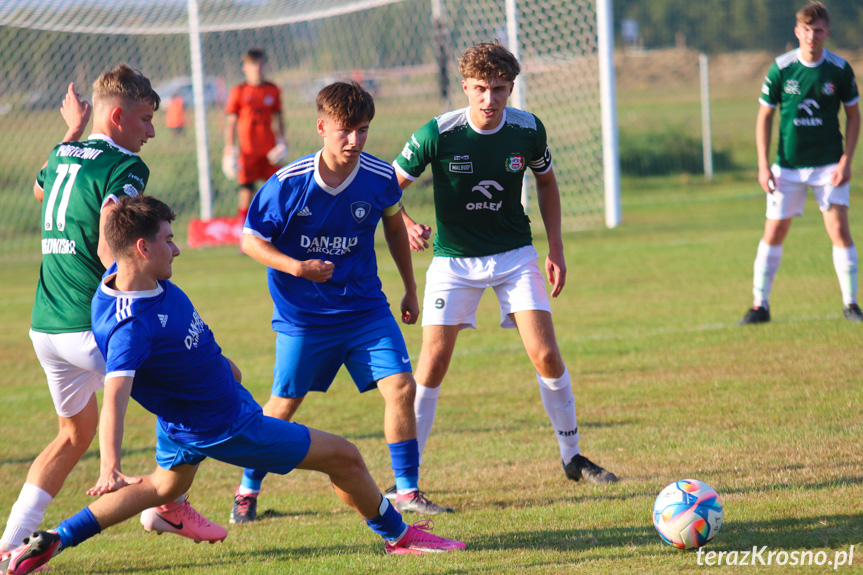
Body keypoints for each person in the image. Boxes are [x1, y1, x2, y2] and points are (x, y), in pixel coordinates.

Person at [1, 195, 465, 575]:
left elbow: (109, 246)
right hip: (225, 425)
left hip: (184, 419)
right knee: (345, 456)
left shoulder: (115, 276)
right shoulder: (131, 328)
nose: (177, 249)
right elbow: (116, 395)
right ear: (143, 249)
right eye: (168, 240)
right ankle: (400, 537)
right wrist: (110, 465)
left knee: (162, 487)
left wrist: (110, 211)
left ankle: (56, 539)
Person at [0, 65, 223, 569]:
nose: (150, 131)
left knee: (73, 434)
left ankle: (7, 544)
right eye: (145, 119)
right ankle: (169, 505)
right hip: (90, 323)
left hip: (46, 326)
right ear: (118, 116)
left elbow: (42, 193)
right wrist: (137, 293)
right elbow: (109, 242)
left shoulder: (62, 152)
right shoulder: (126, 167)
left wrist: (73, 131)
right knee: (212, 382)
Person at [391, 41, 617, 491]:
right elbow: (387, 187)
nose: (488, 100)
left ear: (511, 87)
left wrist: (555, 248)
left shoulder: (528, 129)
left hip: (515, 256)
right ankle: (406, 483)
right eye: (479, 89)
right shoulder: (438, 133)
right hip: (453, 262)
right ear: (465, 87)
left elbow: (547, 183)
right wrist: (409, 222)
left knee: (547, 355)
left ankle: (572, 457)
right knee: (432, 363)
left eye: (498, 89)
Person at [231, 81, 452, 524]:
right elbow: (249, 241)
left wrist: (410, 288)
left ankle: (406, 490)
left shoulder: (378, 176)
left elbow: (393, 229)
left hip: (365, 309)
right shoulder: (288, 184)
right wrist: (297, 267)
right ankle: (246, 492)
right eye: (345, 131)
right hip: (305, 318)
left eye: (363, 130)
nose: (354, 141)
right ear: (321, 127)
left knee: (402, 387)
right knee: (283, 406)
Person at [739, 1, 860, 325]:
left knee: (838, 229)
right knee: (775, 231)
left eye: (818, 30)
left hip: (828, 167)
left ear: (827, 32)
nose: (812, 36)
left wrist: (846, 160)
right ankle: (759, 306)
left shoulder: (839, 69)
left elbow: (853, 116)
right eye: (806, 30)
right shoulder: (781, 68)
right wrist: (763, 166)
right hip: (787, 166)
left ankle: (851, 304)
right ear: (797, 31)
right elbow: (765, 116)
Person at [223, 48, 287, 226]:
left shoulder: (272, 89)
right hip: (247, 151)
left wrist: (282, 142)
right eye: (252, 65)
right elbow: (231, 123)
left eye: (259, 64)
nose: (256, 68)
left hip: (269, 151)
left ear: (264, 65)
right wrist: (230, 150)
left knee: (276, 190)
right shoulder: (239, 91)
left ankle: (275, 230)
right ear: (245, 68)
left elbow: (279, 119)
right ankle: (244, 235)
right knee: (246, 191)